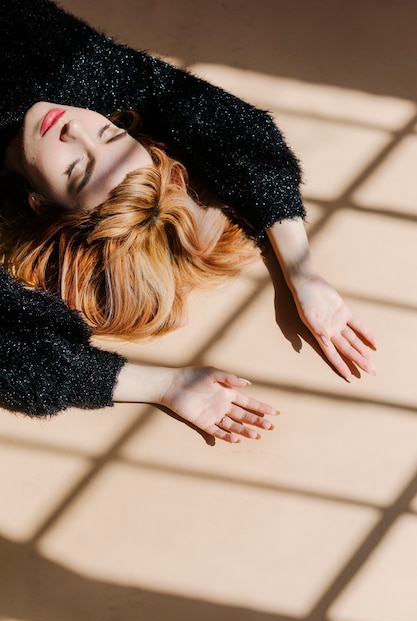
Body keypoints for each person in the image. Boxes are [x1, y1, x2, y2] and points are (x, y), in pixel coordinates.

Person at [0, 0, 376, 443]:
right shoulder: (76, 72)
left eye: (76, 170)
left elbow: (18, 357)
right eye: (110, 133)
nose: (73, 128)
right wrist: (303, 271)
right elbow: (238, 133)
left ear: (42, 205)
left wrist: (165, 386)